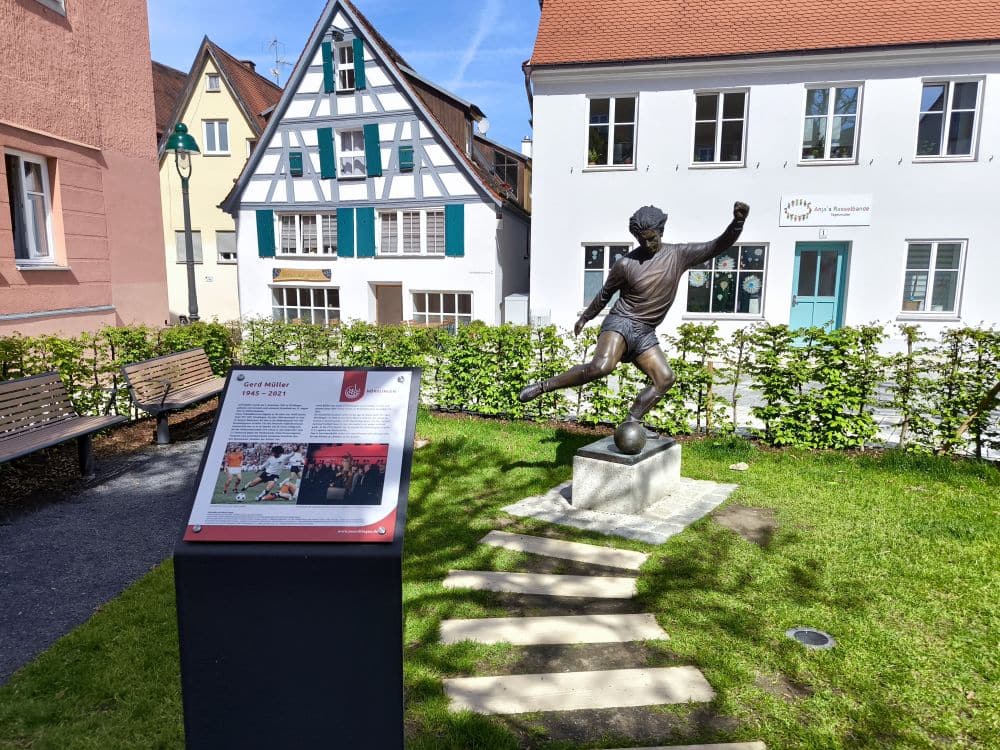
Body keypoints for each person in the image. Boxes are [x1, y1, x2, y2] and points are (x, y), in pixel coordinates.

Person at [519, 201, 749, 428]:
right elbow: (605, 294)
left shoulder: (679, 255)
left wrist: (737, 223)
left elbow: (718, 245)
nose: (647, 243)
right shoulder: (626, 264)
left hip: (645, 332)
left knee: (665, 378)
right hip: (621, 322)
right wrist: (585, 317)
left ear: (661, 232)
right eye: (641, 239)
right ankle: (544, 386)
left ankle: (632, 421)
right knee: (602, 367)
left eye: (652, 238)